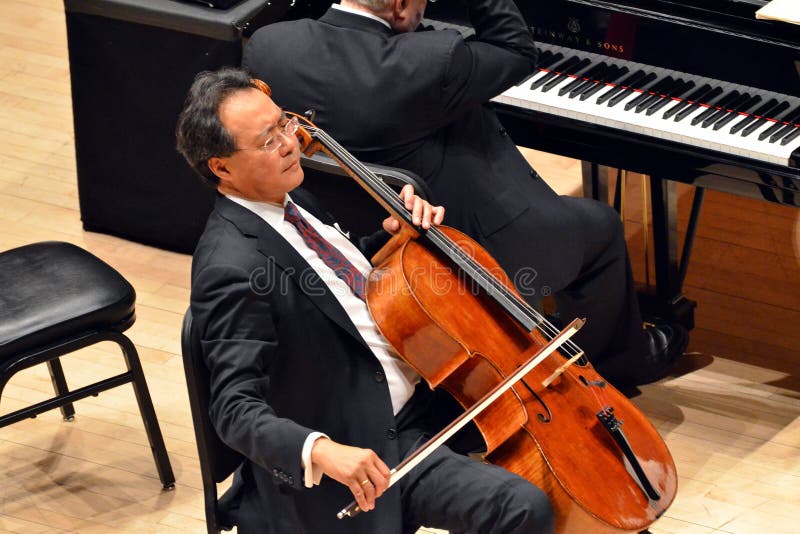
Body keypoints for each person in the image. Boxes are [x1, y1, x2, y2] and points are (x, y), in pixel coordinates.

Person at [176, 67, 554, 534]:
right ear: (222, 167)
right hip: (375, 446)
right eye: (268, 140)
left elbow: (338, 280)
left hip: (432, 394)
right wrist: (321, 449)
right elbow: (233, 409)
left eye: (284, 124)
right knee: (523, 508)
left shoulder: (293, 200)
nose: (291, 143)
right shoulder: (230, 268)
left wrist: (396, 239)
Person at [242, 0, 689, 387]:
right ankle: (617, 365)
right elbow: (516, 49)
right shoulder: (426, 62)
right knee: (603, 227)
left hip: (351, 246)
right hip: (455, 254)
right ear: (398, 6)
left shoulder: (269, 46)